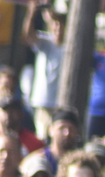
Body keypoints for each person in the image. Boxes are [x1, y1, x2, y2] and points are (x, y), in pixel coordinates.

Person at [21, 2, 63, 139]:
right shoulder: (45, 41)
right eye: (55, 23)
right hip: (43, 102)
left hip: (60, 103)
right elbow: (27, 35)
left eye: (61, 24)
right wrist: (32, 12)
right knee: (42, 137)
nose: (57, 27)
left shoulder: (71, 46)